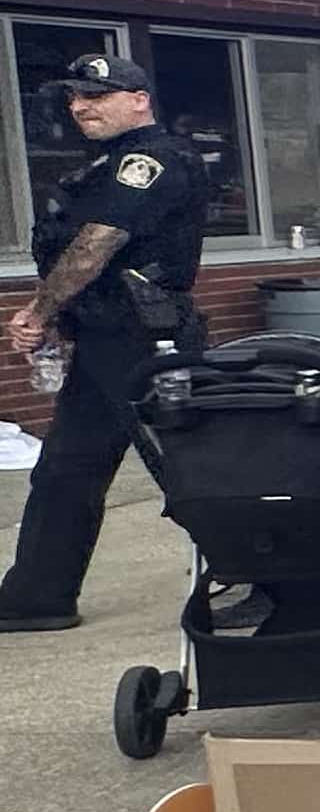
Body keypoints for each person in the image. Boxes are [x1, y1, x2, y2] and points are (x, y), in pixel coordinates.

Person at [3, 51, 208, 631]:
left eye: (97, 96)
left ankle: (273, 580)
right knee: (67, 467)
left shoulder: (152, 159)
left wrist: (40, 311)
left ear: (139, 100)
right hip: (101, 338)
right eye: (75, 98)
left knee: (187, 468)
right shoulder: (104, 163)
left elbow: (96, 245)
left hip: (145, 341)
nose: (80, 106)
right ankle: (38, 594)